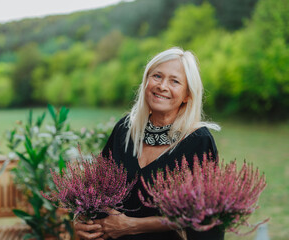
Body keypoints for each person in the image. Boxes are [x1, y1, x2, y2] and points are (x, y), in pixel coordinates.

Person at [74, 47, 224, 240]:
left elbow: (202, 214)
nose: (162, 86)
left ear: (187, 95)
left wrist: (130, 226)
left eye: (175, 81)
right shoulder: (125, 129)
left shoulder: (198, 141)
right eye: (157, 76)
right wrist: (80, 218)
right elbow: (94, 188)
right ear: (146, 82)